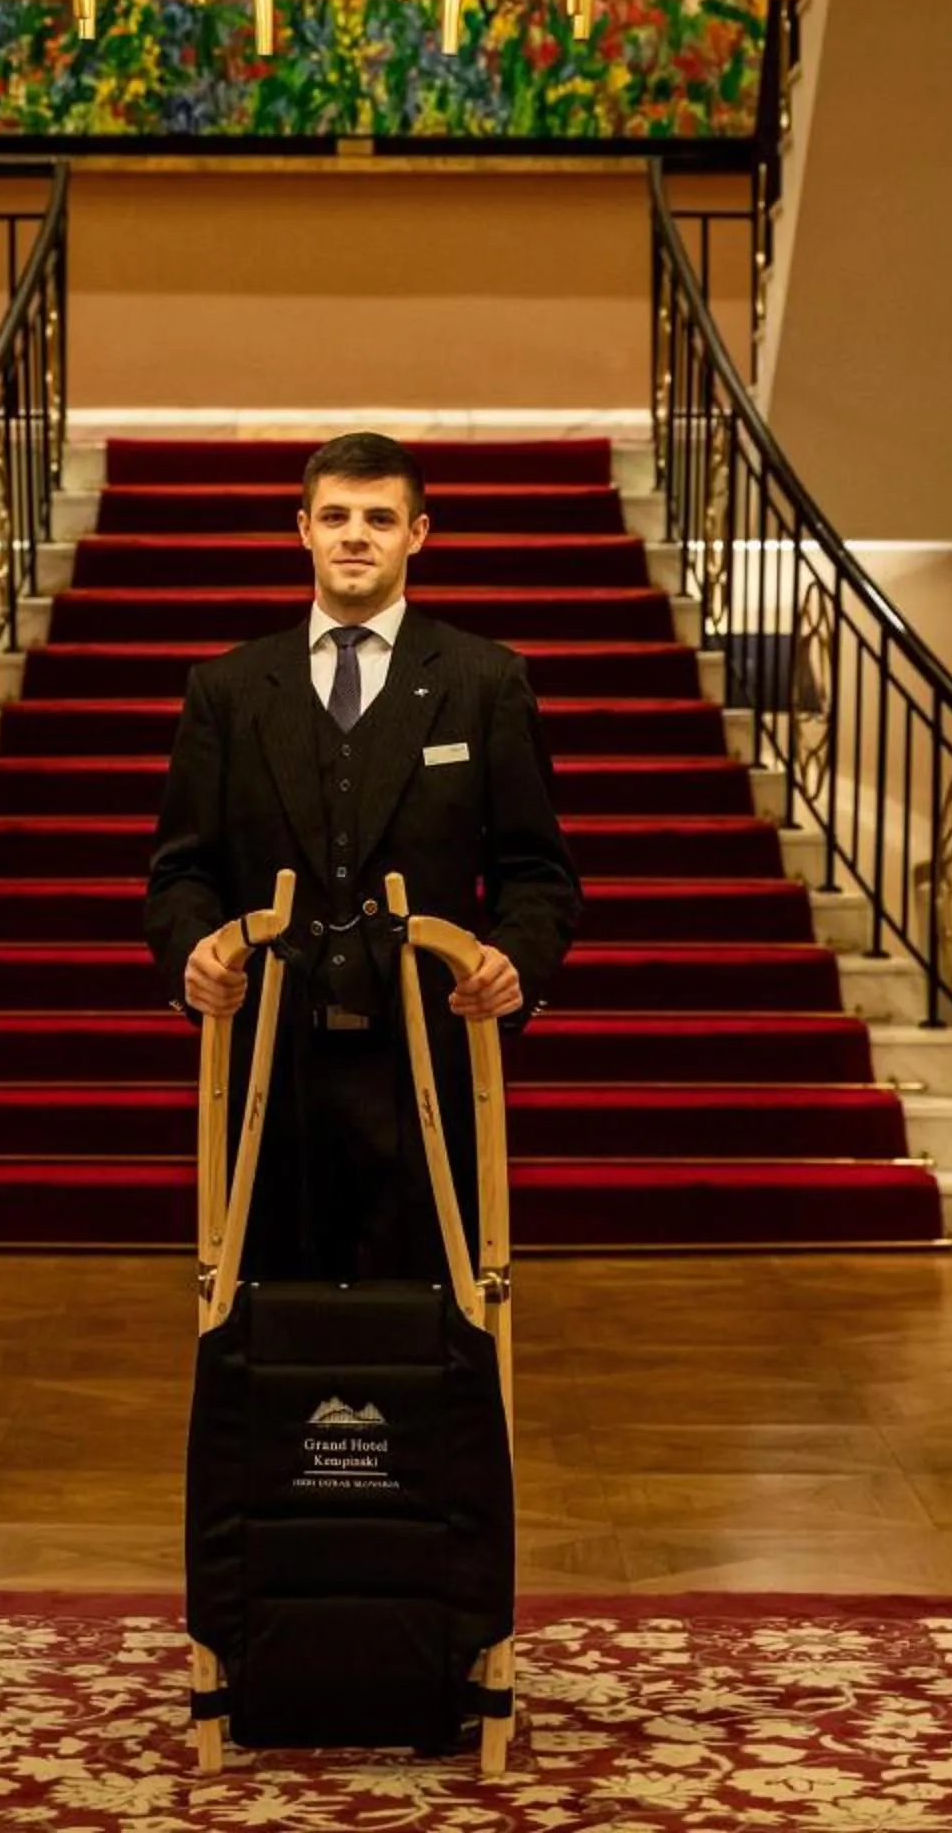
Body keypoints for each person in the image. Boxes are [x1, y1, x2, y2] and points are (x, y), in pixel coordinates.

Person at [147, 432, 583, 1282]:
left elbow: (539, 874)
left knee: (427, 1312)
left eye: (380, 518)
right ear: (302, 528)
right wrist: (191, 954)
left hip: (426, 1052)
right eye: (337, 515)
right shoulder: (228, 689)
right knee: (268, 1307)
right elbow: (181, 873)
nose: (356, 535)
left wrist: (511, 963)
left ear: (418, 534)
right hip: (272, 1056)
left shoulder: (485, 681)